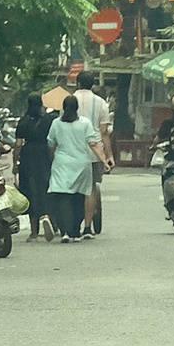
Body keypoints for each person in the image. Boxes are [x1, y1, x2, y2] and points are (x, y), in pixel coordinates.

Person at [43, 92, 99, 241]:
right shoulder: (85, 123)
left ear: (63, 107)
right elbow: (93, 143)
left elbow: (51, 144)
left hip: (62, 164)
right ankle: (75, 231)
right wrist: (104, 160)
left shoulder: (56, 123)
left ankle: (65, 232)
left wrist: (53, 159)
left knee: (62, 198)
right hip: (82, 164)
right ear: (77, 108)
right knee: (79, 197)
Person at [72, 69, 115, 233]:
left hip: (73, 151)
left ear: (77, 83)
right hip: (95, 152)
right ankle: (88, 227)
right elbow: (104, 132)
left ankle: (73, 224)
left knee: (74, 188)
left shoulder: (69, 100)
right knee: (90, 188)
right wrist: (109, 156)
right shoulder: (101, 103)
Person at [14, 90, 56, 242]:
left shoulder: (23, 121)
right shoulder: (48, 120)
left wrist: (15, 162)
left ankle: (33, 232)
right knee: (45, 186)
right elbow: (52, 142)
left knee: (30, 191)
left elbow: (18, 144)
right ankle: (47, 216)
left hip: (28, 157)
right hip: (44, 154)